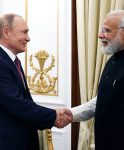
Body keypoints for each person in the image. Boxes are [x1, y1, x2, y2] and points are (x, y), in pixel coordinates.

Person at [66, 10, 124, 150]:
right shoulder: (112, 60)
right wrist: (71, 114)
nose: (100, 35)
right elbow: (103, 101)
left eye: (106, 30)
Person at [0, 13, 72, 150]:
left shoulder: (13, 61)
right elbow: (16, 104)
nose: (28, 38)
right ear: (6, 32)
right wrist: (53, 116)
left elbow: (26, 101)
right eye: (24, 32)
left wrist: (49, 118)